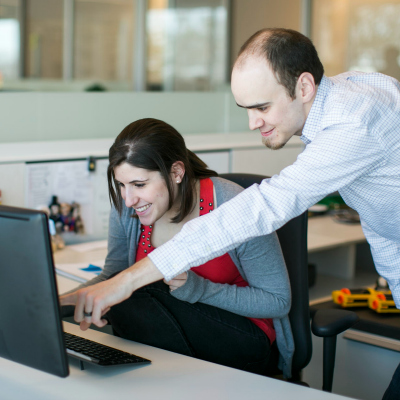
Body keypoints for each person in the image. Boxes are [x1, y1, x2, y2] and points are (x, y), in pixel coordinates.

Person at [61, 28, 400, 397]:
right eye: (247, 109)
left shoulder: (353, 124)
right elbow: (385, 227)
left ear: (303, 88)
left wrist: (129, 281)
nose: (253, 123)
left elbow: (262, 208)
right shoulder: (346, 95)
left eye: (262, 107)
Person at [61, 117, 293, 377]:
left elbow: (278, 302)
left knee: (138, 291)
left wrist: (200, 289)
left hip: (244, 340)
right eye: (121, 185)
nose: (128, 199)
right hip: (169, 342)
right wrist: (56, 304)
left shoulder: (233, 203)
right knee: (123, 290)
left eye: (139, 184)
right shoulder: (129, 208)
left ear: (177, 172)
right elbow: (112, 279)